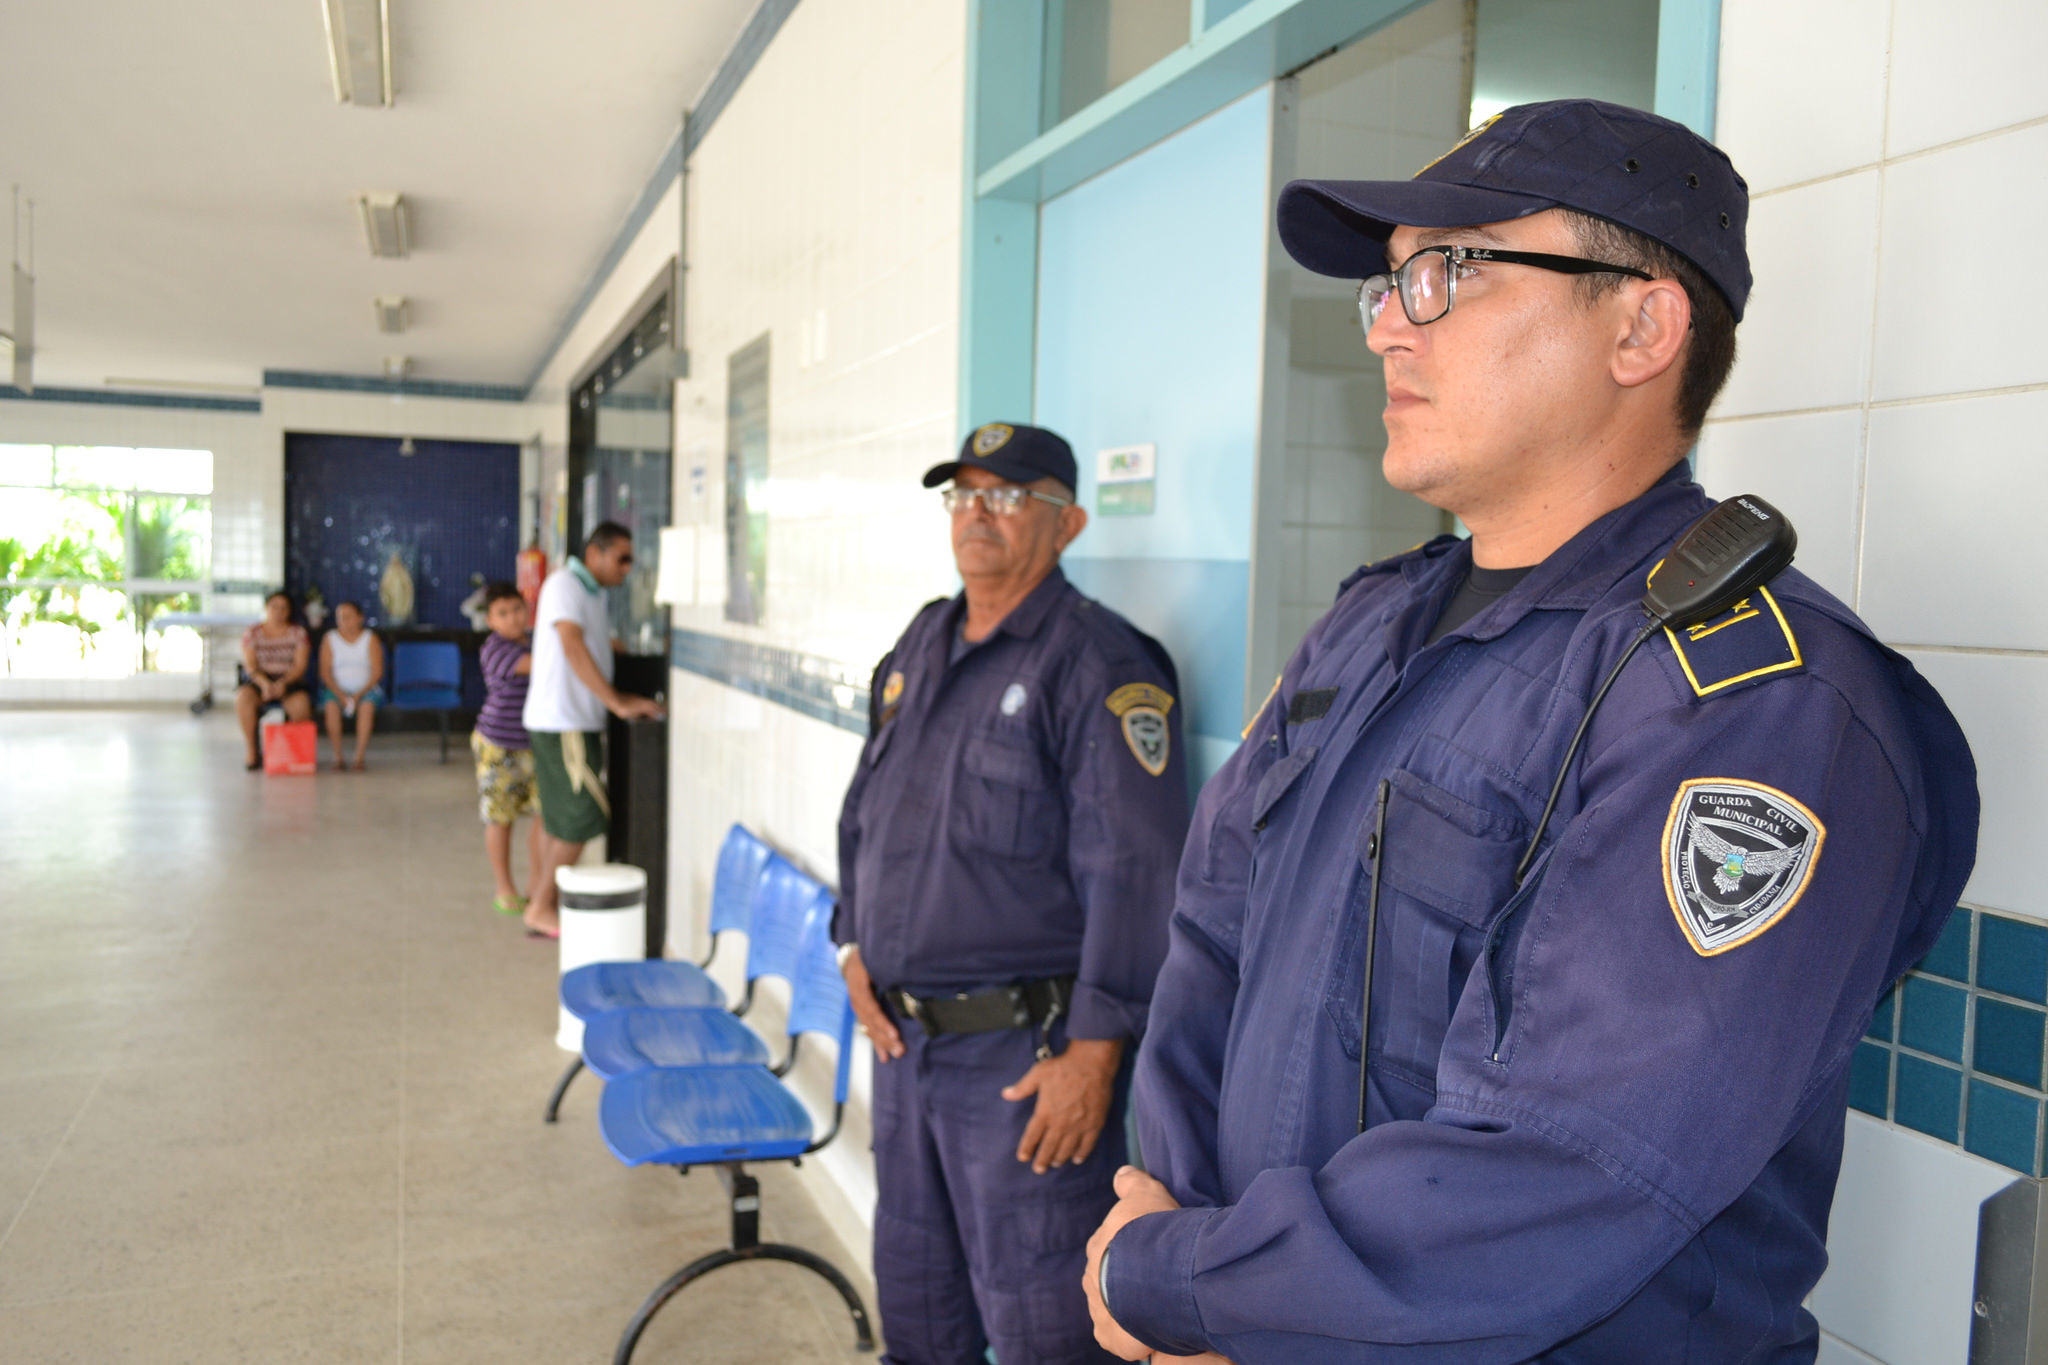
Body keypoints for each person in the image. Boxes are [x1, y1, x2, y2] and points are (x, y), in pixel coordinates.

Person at [1083, 100, 1980, 1364]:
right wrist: (1182, 1243)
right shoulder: (1369, 627)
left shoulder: (1754, 708)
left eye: (1447, 273)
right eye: (1389, 284)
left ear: (1639, 325)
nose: (1389, 322)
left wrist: (1184, 1280)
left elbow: (1566, 1174)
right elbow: (1210, 940)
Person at [836, 422, 1192, 1365]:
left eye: (1007, 495)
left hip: (1023, 1068)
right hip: (905, 1053)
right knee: (918, 1315)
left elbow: (1137, 873)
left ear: (1066, 522)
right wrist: (850, 943)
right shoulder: (924, 638)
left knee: (1041, 1331)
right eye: (962, 494)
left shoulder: (1100, 665)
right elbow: (865, 809)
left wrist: (1094, 1054)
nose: (977, 514)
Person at [519, 522, 662, 938]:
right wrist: (616, 701)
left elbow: (591, 644)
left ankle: (540, 897)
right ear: (595, 553)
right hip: (565, 722)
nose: (627, 568)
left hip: (564, 721)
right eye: (622, 558)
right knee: (583, 815)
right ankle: (542, 906)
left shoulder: (590, 594)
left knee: (556, 816)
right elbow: (572, 646)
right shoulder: (565, 584)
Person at [474, 581, 543, 917]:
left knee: (543, 816)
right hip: (499, 746)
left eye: (517, 609)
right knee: (500, 818)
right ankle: (504, 887)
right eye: (503, 613)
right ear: (491, 620)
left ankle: (536, 886)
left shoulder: (532, 642)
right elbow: (541, 664)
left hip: (535, 746)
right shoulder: (496, 648)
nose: (513, 619)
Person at [235, 589, 311, 770]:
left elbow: (300, 666)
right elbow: (251, 665)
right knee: (243, 699)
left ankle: (292, 753)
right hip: (260, 680)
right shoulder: (252, 632)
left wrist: (283, 683)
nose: (279, 612)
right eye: (274, 607)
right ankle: (252, 751)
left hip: (289, 680)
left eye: (284, 608)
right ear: (267, 608)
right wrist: (265, 684)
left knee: (301, 706)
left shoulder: (298, 633)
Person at [316, 600, 385, 771]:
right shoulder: (329, 638)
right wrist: (341, 695)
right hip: (336, 690)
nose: (344, 621)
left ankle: (359, 757)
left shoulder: (370, 638)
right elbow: (325, 673)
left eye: (348, 617)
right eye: (340, 617)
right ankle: (337, 757)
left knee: (366, 707)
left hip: (366, 690)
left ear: (360, 618)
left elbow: (377, 672)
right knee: (331, 707)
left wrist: (358, 695)